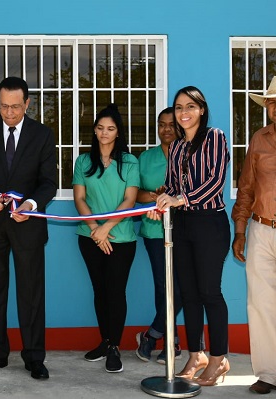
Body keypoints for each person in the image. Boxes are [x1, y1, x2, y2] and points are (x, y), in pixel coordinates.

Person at [0, 76, 57, 380]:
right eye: (4, 106)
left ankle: (34, 357)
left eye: (16, 107)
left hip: (27, 227)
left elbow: (48, 183)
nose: (10, 112)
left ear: (27, 103)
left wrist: (30, 205)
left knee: (31, 294)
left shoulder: (42, 135)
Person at [150, 86, 230, 386]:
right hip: (182, 226)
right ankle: (197, 355)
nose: (184, 113)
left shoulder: (215, 138)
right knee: (191, 295)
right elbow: (171, 186)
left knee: (210, 293)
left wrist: (179, 200)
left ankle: (220, 359)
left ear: (202, 110)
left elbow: (215, 182)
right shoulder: (178, 147)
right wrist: (160, 204)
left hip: (209, 223)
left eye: (190, 107)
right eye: (179, 107)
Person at [72, 104, 139, 373]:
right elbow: (79, 198)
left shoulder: (130, 161)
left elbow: (130, 199)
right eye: (100, 128)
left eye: (110, 129)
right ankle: (105, 341)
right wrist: (95, 229)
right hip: (89, 237)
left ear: (118, 132)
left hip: (121, 238)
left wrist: (106, 227)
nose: (104, 133)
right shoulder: (83, 161)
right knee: (99, 291)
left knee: (115, 292)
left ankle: (114, 348)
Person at [232, 76, 276, 395]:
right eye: (270, 102)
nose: (274, 107)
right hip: (262, 229)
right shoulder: (259, 139)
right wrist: (240, 231)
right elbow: (246, 188)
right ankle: (269, 373)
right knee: (260, 304)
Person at [135, 107, 183, 364]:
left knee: (183, 287)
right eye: (161, 124)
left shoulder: (189, 154)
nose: (166, 129)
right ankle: (170, 343)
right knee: (163, 286)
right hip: (154, 230)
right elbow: (135, 194)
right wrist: (154, 197)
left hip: (185, 230)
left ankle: (153, 334)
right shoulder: (145, 158)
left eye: (171, 124)